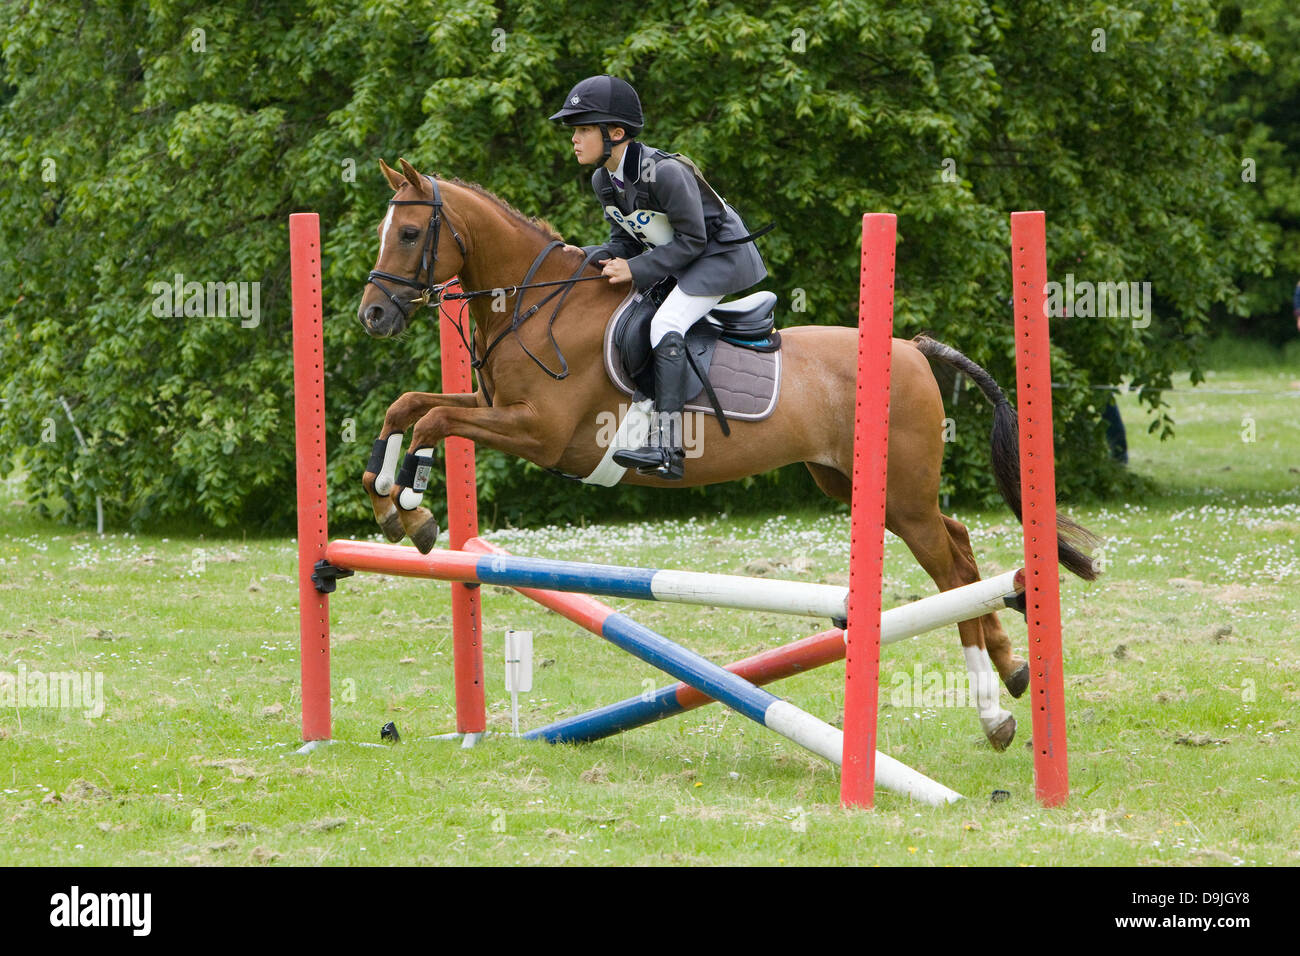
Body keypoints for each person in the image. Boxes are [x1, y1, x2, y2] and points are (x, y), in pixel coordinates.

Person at [551, 75, 768, 480]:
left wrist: (634, 270)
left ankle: (669, 448)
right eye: (575, 131)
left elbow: (693, 240)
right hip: (683, 257)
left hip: (720, 256)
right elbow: (624, 240)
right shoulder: (605, 180)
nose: (574, 139)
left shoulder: (665, 173)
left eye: (583, 129)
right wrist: (581, 257)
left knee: (666, 322)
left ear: (615, 133)